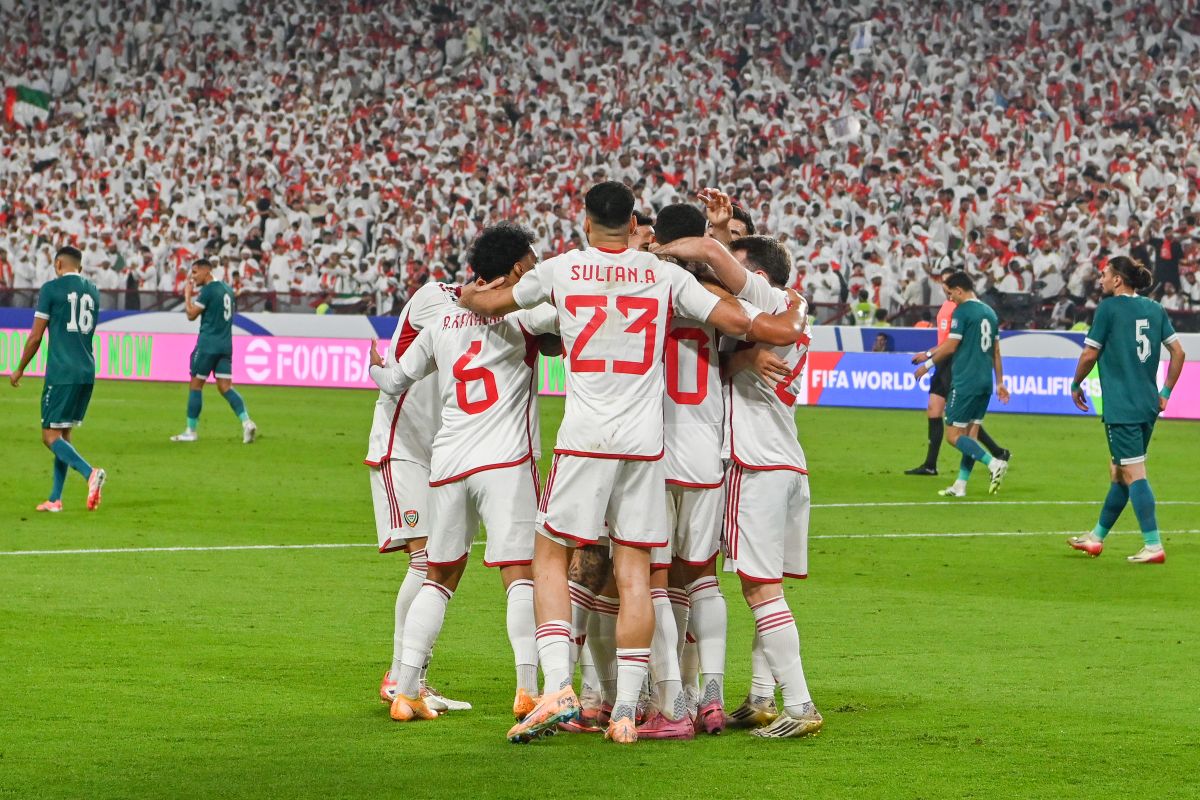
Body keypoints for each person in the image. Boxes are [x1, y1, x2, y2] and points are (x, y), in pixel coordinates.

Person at [459, 181, 803, 744]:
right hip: (648, 446)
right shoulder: (663, 276)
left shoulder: (563, 268)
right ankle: (625, 711)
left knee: (551, 557)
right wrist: (787, 322)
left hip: (585, 439)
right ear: (633, 220)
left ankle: (559, 687)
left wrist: (473, 297)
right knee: (639, 574)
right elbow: (741, 321)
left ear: (586, 220)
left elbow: (495, 303)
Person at [367, 223, 557, 722]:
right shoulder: (528, 315)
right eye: (532, 261)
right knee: (519, 575)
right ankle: (527, 689)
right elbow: (565, 331)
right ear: (516, 269)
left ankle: (406, 691)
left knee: (438, 577)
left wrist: (373, 367)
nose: (536, 268)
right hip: (505, 460)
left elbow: (393, 379)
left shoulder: (441, 321)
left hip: (448, 462)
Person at [658, 232, 822, 738]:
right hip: (787, 464)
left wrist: (657, 251)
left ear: (761, 279)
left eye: (737, 268)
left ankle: (801, 706)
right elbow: (728, 366)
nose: (724, 275)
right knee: (763, 585)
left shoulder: (773, 301)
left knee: (757, 588)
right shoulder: (785, 313)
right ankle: (760, 696)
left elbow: (712, 258)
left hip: (754, 465)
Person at [365, 272, 472, 716]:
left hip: (441, 449)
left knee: (443, 561)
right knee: (425, 559)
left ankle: (414, 678)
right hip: (402, 445)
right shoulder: (436, 296)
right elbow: (466, 326)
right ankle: (399, 677)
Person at [1067, 256, 1186, 564]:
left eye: (1105, 274)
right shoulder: (1155, 309)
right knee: (1119, 472)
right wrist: (1166, 392)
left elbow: (1089, 353)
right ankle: (1096, 538)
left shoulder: (1108, 309)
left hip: (1123, 407)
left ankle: (1153, 544)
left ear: (1118, 279)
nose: (1101, 279)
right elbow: (1178, 352)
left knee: (1133, 473)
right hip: (1147, 404)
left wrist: (1076, 384)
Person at [8, 246, 107, 512]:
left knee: (49, 436)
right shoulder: (94, 291)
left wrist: (19, 368)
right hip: (87, 370)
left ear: (58, 264)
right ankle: (55, 498)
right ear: (81, 267)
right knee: (63, 434)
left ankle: (90, 473)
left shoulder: (51, 290)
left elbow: (36, 336)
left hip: (62, 372)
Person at [913, 272, 1010, 497]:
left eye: (950, 293)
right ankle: (961, 484)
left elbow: (950, 346)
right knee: (971, 435)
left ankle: (994, 463)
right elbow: (996, 350)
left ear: (959, 290)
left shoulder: (963, 311)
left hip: (966, 380)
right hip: (985, 381)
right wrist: (1000, 382)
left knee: (954, 435)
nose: (949, 299)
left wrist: (926, 365)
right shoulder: (990, 313)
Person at [169, 259, 258, 443]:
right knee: (225, 387)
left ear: (205, 270)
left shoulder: (208, 290)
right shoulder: (227, 289)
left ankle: (190, 431)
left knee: (196, 385)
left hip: (208, 344)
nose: (193, 277)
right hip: (226, 345)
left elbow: (191, 315)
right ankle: (247, 422)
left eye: (195, 272)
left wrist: (187, 296)